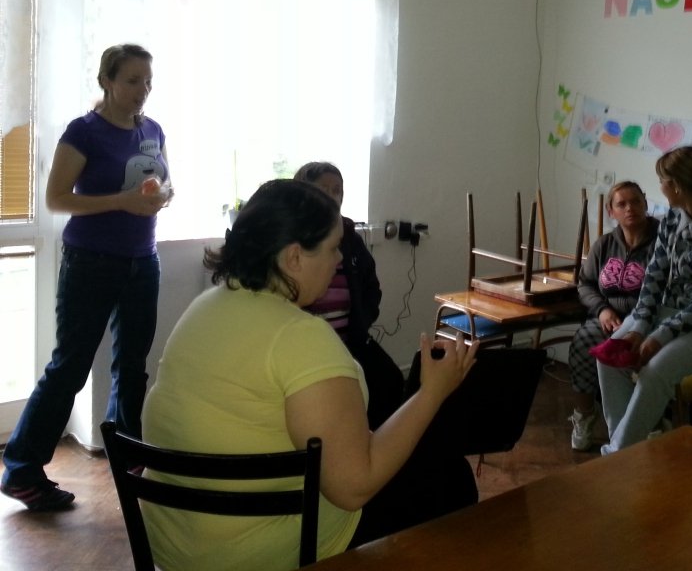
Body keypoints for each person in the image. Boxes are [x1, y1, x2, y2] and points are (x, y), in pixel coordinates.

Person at [140, 179, 478, 570]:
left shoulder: (204, 308)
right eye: (333, 248)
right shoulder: (301, 337)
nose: (339, 259)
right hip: (249, 555)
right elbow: (353, 488)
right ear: (294, 258)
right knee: (450, 479)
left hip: (176, 542)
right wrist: (432, 392)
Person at [1, 43, 171, 512]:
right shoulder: (84, 132)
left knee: (132, 367)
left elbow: (162, 183)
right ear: (107, 81)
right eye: (132, 80)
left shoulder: (153, 130)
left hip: (143, 261)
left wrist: (161, 195)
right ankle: (21, 471)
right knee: (70, 367)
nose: (142, 90)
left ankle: (129, 460)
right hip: (91, 263)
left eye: (148, 81)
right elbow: (56, 198)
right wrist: (122, 201)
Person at [596, 146, 692, 454]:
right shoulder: (671, 219)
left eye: (662, 181)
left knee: (655, 371)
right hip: (667, 313)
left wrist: (658, 337)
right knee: (610, 356)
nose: (661, 187)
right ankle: (624, 450)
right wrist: (639, 326)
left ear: (677, 186)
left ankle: (616, 455)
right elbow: (654, 277)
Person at [293, 161, 404, 430]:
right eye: (325, 190)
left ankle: (377, 440)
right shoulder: (291, 238)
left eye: (338, 190)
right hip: (307, 347)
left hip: (351, 340)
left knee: (390, 381)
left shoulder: (350, 238)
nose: (333, 197)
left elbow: (371, 287)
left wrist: (362, 322)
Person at [567, 181, 658, 451]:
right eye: (622, 204)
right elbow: (585, 284)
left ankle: (648, 421)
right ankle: (584, 415)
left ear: (645, 203)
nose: (630, 208)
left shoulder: (663, 241)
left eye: (636, 201)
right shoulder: (605, 244)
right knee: (583, 341)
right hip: (608, 318)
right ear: (611, 211)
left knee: (641, 352)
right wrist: (602, 310)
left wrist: (638, 320)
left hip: (647, 320)